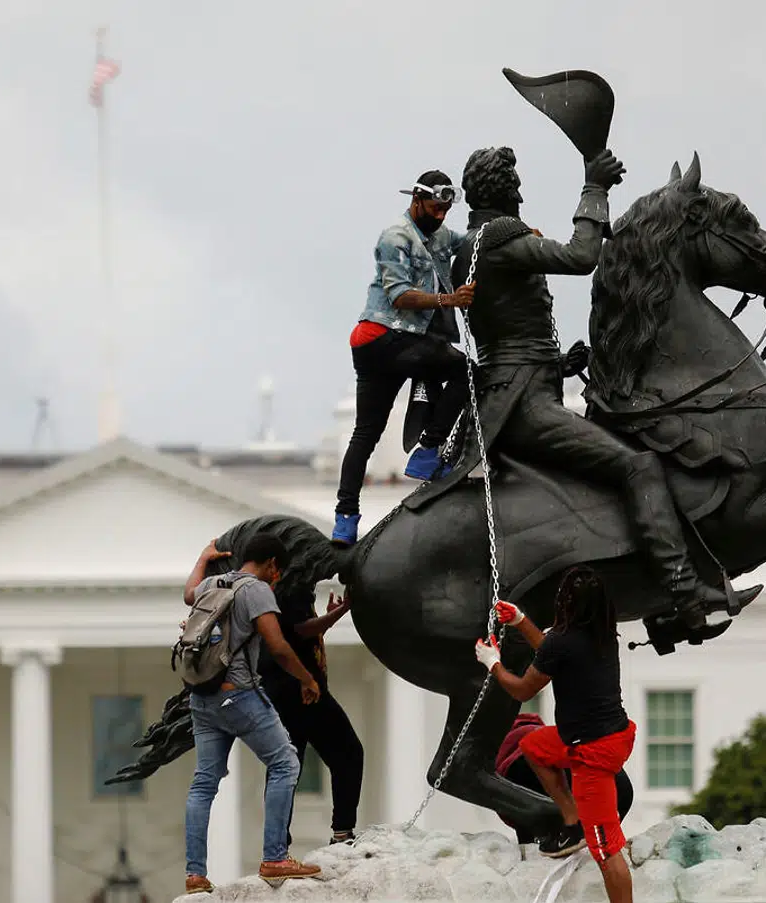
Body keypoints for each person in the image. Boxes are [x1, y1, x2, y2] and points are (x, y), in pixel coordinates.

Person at [414, 144, 761, 622]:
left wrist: (558, 363)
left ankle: (653, 594)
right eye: (516, 185)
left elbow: (507, 336)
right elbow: (581, 256)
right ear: (508, 190)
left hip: (524, 389)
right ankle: (683, 593)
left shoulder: (476, 244)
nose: (520, 192)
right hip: (525, 408)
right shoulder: (498, 240)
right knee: (638, 466)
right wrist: (593, 186)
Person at [473, 567, 636, 903]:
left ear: (566, 603)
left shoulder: (564, 642)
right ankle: (572, 820)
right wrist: (520, 620)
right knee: (532, 746)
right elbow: (551, 650)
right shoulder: (602, 634)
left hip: (593, 754)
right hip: (604, 735)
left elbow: (520, 690)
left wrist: (492, 663)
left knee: (606, 850)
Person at [333, 170, 477, 546]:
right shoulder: (395, 237)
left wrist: (520, 235)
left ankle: (344, 521)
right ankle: (428, 450)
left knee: (366, 434)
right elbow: (399, 296)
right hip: (384, 337)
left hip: (390, 344)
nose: (442, 215)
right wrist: (449, 299)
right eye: (435, 207)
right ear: (417, 200)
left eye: (446, 209)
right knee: (466, 370)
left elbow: (472, 242)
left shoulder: (439, 235)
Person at [180, 534, 323, 895]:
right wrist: (308, 679)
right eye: (279, 570)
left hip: (202, 698)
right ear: (272, 564)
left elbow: (188, 594)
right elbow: (277, 646)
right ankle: (275, 857)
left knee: (203, 784)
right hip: (239, 696)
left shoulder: (214, 583)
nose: (278, 577)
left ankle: (195, 874)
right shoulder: (257, 591)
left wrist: (203, 556)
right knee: (285, 763)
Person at [259, 586, 364, 846]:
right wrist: (340, 612)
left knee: (286, 766)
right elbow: (299, 629)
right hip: (301, 692)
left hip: (292, 691)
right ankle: (339, 832)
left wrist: (330, 618)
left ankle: (278, 840)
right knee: (346, 754)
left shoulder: (285, 586)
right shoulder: (291, 585)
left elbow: (301, 636)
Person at [492, 711, 634, 846]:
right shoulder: (534, 730)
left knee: (546, 850)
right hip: (617, 782)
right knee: (605, 848)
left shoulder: (506, 748)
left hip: (542, 778)